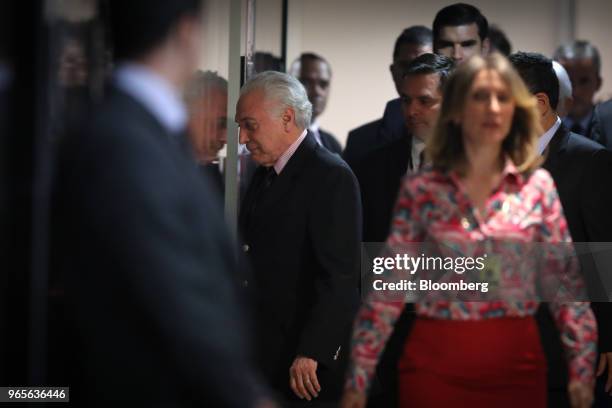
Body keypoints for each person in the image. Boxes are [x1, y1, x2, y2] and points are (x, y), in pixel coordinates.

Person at [341, 53, 596, 408]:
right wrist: (358, 379)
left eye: (501, 98)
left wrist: (581, 372)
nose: (491, 108)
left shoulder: (537, 188)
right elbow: (388, 291)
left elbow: (568, 289)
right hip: (433, 365)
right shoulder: (422, 189)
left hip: (517, 368)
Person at [51, 1, 273, 406]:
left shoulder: (141, 133)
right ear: (186, 31)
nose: (230, 135)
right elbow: (171, 293)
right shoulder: (125, 142)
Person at [236, 71, 361, 406]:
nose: (242, 137)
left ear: (287, 118)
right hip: (262, 354)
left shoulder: (330, 175)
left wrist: (313, 350)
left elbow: (341, 278)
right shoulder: (264, 174)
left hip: (302, 367)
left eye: (250, 125)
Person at [510, 51, 612, 408]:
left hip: (564, 353)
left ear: (538, 103)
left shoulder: (589, 160)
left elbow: (602, 253)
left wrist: (609, 338)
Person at [351, 53, 453, 408]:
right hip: (388, 337)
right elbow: (362, 251)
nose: (412, 111)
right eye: (406, 100)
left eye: (425, 101)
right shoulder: (372, 165)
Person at [343, 26, 432, 168]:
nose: (413, 74)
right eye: (406, 65)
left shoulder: (468, 139)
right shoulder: (360, 142)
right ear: (393, 71)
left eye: (423, 66)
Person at [289, 53, 341, 154]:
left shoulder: (334, 145)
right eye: (305, 82)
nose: (317, 91)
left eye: (323, 84)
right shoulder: (275, 139)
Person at [554, 40, 602, 138]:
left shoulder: (608, 130)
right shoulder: (536, 129)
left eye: (584, 81)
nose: (575, 91)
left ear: (598, 83)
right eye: (567, 80)